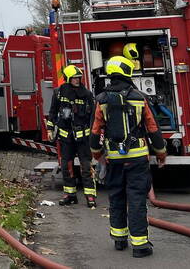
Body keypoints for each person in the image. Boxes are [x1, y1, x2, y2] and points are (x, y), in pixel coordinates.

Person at [89, 56, 167, 259]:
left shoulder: (101, 99)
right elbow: (152, 128)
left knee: (116, 197)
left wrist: (98, 156)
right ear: (127, 72)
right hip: (138, 159)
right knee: (137, 199)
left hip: (114, 159)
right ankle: (140, 245)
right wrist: (160, 153)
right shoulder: (139, 98)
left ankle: (119, 240)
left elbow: (95, 133)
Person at [48, 65, 97, 208]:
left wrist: (94, 134)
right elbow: (52, 112)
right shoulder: (59, 93)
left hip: (83, 137)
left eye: (78, 78)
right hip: (66, 136)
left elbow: (93, 116)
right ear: (68, 79)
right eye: (74, 78)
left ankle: (90, 196)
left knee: (86, 166)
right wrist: (50, 129)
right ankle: (70, 195)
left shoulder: (87, 94)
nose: (77, 80)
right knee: (66, 166)